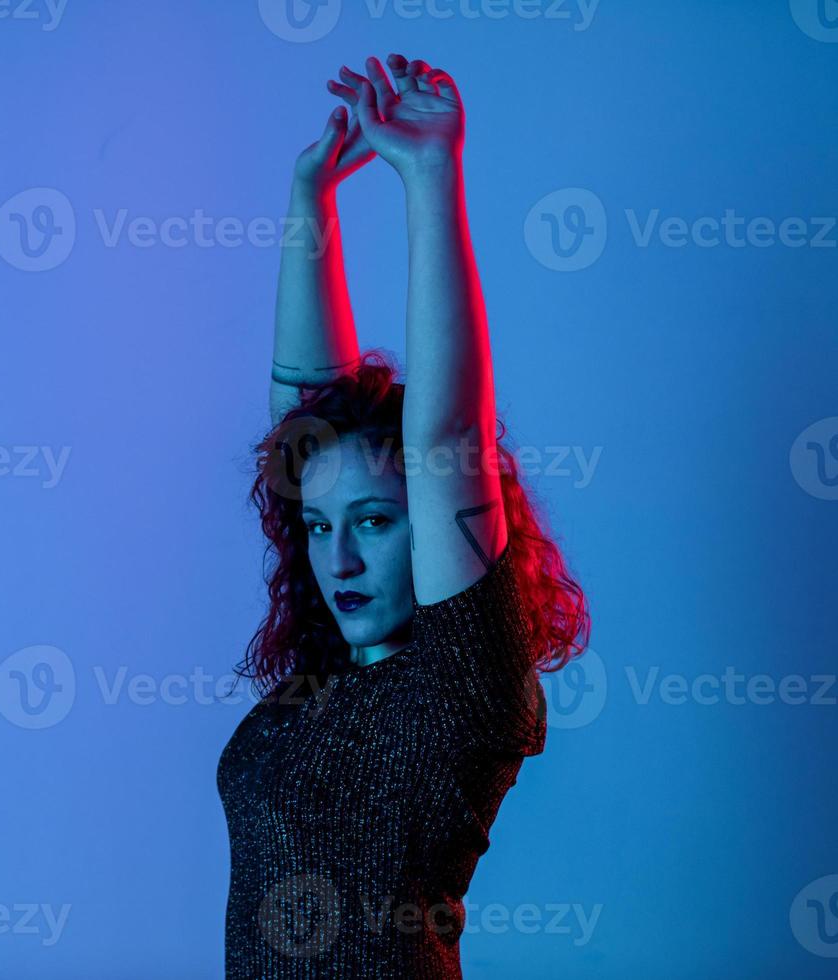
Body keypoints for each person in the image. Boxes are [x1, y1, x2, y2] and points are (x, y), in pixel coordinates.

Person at [216, 54, 591, 977]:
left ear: (432, 525)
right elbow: (308, 416)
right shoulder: (325, 675)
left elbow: (448, 434)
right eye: (317, 526)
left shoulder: (462, 685)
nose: (335, 557)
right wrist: (313, 198)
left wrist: (430, 174)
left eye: (377, 524)